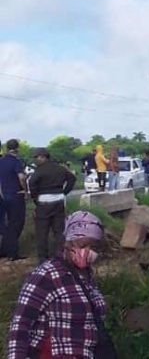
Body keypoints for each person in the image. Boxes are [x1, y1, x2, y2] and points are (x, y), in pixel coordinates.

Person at [6, 211, 116, 359]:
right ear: (68, 243)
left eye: (93, 246)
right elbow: (21, 325)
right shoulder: (46, 275)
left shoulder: (87, 277)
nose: (88, 251)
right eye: (83, 245)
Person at [27, 148, 76, 262]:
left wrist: (35, 199)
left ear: (44, 157)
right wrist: (64, 192)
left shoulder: (39, 170)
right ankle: (59, 256)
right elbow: (72, 179)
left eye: (36, 157)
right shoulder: (60, 168)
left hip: (44, 202)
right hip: (58, 200)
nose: (35, 160)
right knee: (59, 230)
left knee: (42, 231)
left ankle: (43, 258)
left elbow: (31, 183)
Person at [0, 139, 28, 260]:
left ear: (6, 148)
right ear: (17, 148)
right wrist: (25, 190)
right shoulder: (16, 162)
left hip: (3, 196)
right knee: (16, 223)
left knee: (6, 224)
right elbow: (21, 177)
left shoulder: (1, 161)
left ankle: (4, 250)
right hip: (16, 195)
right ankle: (13, 253)